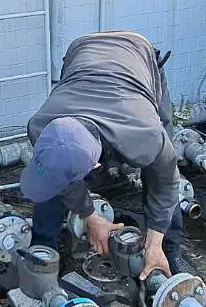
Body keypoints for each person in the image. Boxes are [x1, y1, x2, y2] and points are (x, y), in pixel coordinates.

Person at [20, 31, 186, 281]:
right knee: (53, 175)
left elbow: (165, 184)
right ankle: (43, 251)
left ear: (95, 166)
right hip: (83, 53)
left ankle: (169, 251)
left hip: (137, 55)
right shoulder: (41, 126)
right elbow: (55, 177)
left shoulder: (146, 137)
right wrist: (91, 217)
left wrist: (154, 242)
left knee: (161, 172)